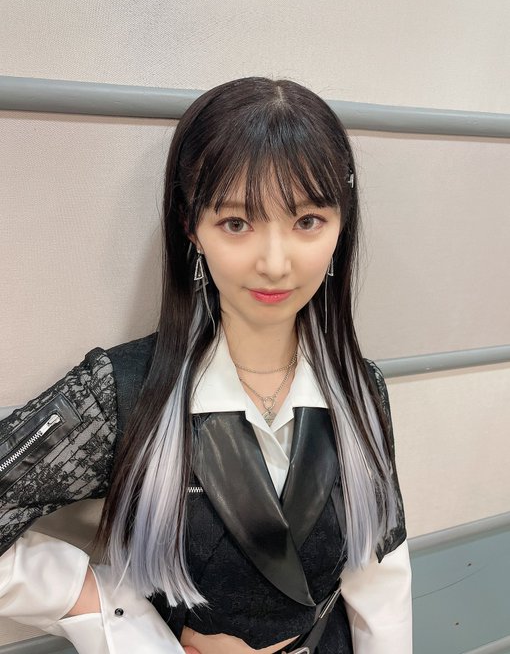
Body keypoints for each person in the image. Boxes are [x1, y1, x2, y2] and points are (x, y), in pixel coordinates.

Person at [0, 76, 412, 654]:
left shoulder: (362, 390)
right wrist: (114, 615)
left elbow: (382, 579)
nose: (275, 263)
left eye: (307, 222)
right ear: (191, 225)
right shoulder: (122, 393)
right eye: (237, 224)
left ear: (341, 225)